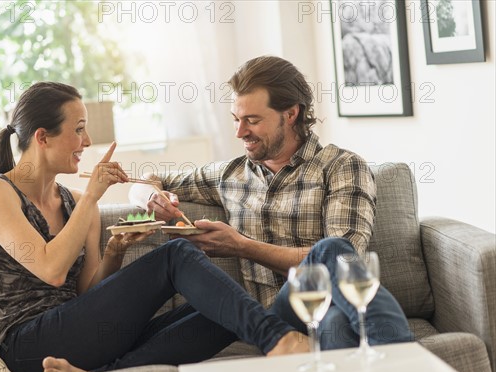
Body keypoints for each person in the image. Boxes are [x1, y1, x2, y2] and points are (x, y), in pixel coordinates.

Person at [0, 81, 308, 372]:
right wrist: (92, 197)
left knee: (223, 308)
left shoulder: (75, 203)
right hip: (27, 346)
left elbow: (87, 292)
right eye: (79, 129)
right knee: (175, 254)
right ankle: (276, 338)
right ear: (42, 137)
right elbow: (52, 270)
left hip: (75, 333)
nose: (87, 141)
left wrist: (115, 250)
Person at [129, 56, 412, 349]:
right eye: (236, 120)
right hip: (273, 320)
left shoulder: (341, 167)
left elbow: (344, 262)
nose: (240, 132)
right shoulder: (229, 174)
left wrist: (241, 246)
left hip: (332, 305)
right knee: (329, 260)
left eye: (252, 120)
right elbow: (144, 179)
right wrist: (151, 197)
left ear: (290, 114)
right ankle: (406, 359)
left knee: (335, 313)